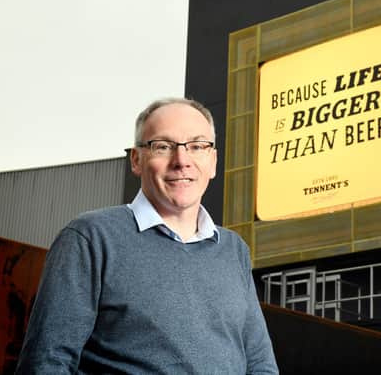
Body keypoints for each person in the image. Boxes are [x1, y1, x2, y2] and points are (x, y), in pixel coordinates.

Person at [15, 98, 279, 374]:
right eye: (163, 147)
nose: (182, 161)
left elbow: (260, 364)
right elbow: (46, 362)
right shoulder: (90, 238)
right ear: (137, 160)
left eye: (197, 146)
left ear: (213, 162)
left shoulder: (233, 250)